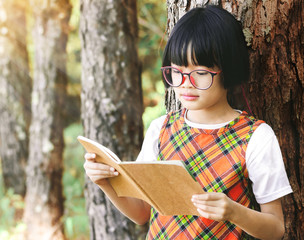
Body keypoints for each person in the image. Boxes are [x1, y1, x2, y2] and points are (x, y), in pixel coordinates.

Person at [83, 5, 293, 240]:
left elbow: (276, 229)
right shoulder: (160, 130)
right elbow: (142, 213)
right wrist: (105, 182)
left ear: (228, 70)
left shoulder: (255, 137)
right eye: (176, 71)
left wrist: (234, 212)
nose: (185, 83)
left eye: (201, 72)